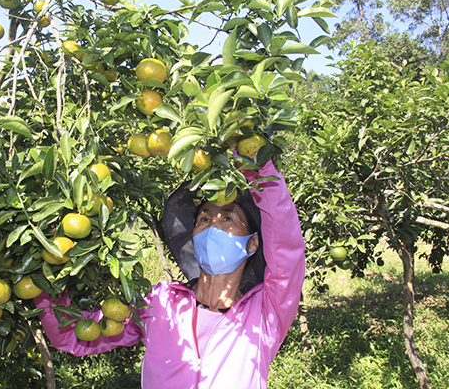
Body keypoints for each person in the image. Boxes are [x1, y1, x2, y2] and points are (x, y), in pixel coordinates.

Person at [34, 159, 305, 388]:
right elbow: (72, 334)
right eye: (204, 218)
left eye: (228, 218)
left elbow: (286, 244)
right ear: (194, 236)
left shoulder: (265, 311)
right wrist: (45, 274)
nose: (213, 226)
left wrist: (254, 160)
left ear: (252, 243)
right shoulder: (160, 302)